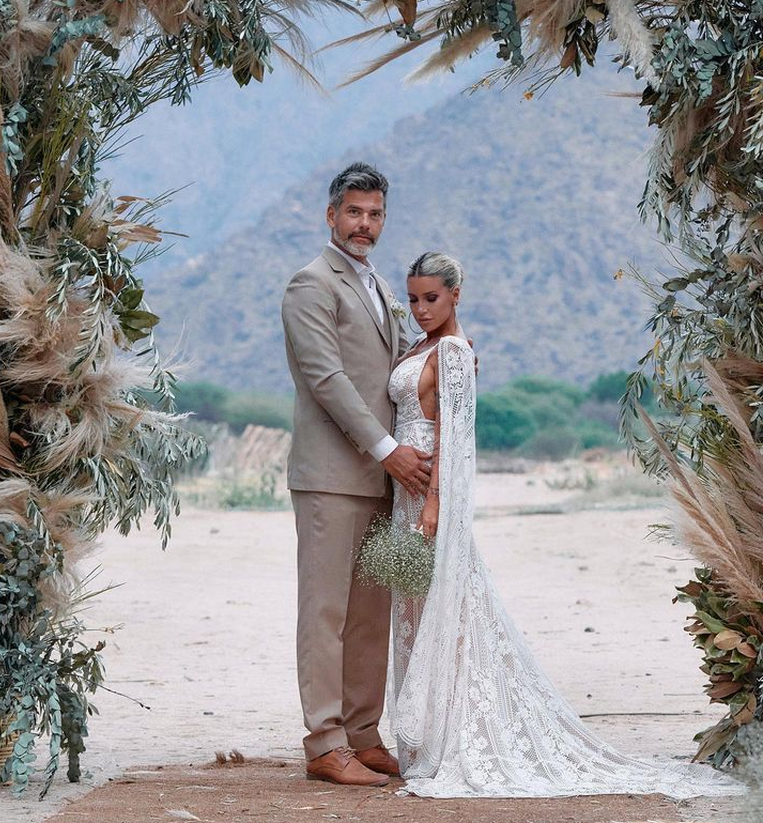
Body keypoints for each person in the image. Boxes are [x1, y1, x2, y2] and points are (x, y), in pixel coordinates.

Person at [386, 250, 742, 799]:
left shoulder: (454, 351)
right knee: (416, 611)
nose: (420, 309)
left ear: (457, 294)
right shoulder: (420, 347)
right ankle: (422, 733)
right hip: (403, 489)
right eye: (412, 299)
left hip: (432, 491)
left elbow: (457, 436)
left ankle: (450, 733)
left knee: (446, 609)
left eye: (430, 298)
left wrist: (437, 504)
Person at [281, 162, 431, 787]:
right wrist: (386, 448)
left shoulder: (376, 286)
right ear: (331, 215)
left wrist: (446, 349)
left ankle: (364, 735)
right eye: (354, 213)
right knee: (325, 612)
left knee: (371, 612)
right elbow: (326, 381)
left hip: (381, 480)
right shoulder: (311, 285)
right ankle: (324, 742)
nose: (364, 225)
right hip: (332, 476)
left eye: (374, 215)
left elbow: (393, 366)